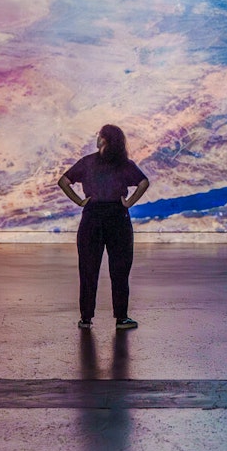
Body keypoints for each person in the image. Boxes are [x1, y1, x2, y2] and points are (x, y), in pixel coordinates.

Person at [57, 124, 150, 330]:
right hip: (117, 217)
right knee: (120, 269)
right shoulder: (124, 164)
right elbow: (143, 182)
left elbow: (63, 181)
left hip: (92, 217)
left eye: (99, 136)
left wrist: (80, 201)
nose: (96, 138)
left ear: (105, 140)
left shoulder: (88, 162)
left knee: (88, 269)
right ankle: (121, 318)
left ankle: (86, 318)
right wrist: (130, 201)